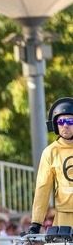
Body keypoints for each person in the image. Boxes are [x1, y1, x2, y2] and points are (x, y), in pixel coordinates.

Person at [27, 97, 73, 235]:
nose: (65, 125)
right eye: (61, 121)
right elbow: (42, 188)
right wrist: (36, 222)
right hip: (64, 218)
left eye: (70, 121)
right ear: (55, 124)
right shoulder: (50, 152)